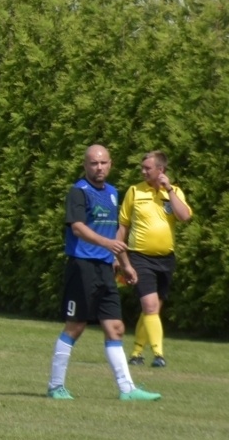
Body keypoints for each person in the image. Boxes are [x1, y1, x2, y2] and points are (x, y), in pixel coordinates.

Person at [47, 144, 160, 402]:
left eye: (103, 163)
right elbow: (77, 228)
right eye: (94, 163)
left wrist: (126, 263)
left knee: (116, 328)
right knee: (75, 327)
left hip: (105, 269)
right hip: (82, 267)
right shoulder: (79, 192)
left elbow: (113, 236)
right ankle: (55, 386)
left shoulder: (111, 192)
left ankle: (127, 389)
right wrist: (107, 245)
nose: (99, 167)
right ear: (85, 166)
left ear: (110, 164)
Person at [119, 151, 192, 368]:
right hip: (140, 257)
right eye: (142, 168)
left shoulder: (174, 192)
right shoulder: (134, 191)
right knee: (150, 306)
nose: (143, 171)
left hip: (166, 259)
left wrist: (169, 190)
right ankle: (159, 355)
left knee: (152, 309)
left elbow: (185, 216)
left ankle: (136, 353)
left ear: (160, 170)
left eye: (147, 168)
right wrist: (119, 257)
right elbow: (123, 226)